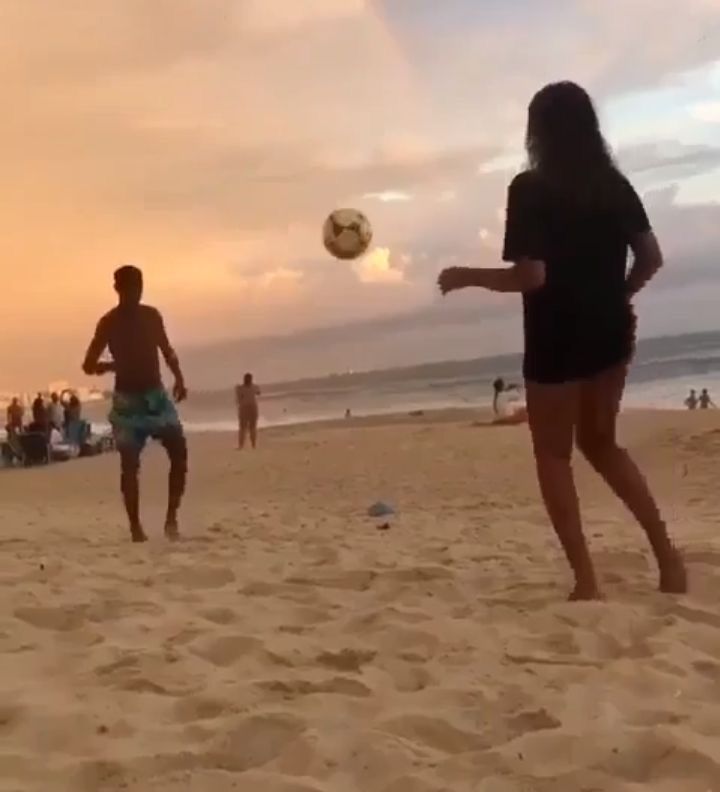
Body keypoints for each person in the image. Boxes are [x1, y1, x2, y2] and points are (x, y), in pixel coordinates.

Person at [438, 81, 686, 600]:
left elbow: (531, 278)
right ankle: (668, 561)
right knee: (602, 444)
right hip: (611, 330)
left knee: (553, 455)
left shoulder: (529, 189)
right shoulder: (613, 185)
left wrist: (466, 275)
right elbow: (652, 258)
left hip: (556, 337)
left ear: (538, 132)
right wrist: (618, 294)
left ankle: (587, 582)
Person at [82, 265, 188, 542]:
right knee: (130, 465)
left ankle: (170, 519)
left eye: (138, 288)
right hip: (129, 402)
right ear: (118, 289)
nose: (135, 293)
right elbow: (88, 365)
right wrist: (114, 365)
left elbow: (167, 350)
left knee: (178, 452)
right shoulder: (109, 322)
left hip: (154, 397)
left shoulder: (150, 316)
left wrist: (179, 378)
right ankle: (136, 528)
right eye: (131, 288)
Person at [235, 372, 260, 449]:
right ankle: (252, 445)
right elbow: (258, 393)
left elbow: (238, 398)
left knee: (245, 427)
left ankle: (243, 445)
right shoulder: (254, 387)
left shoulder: (240, 388)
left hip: (245, 407)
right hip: (250, 407)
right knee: (250, 427)